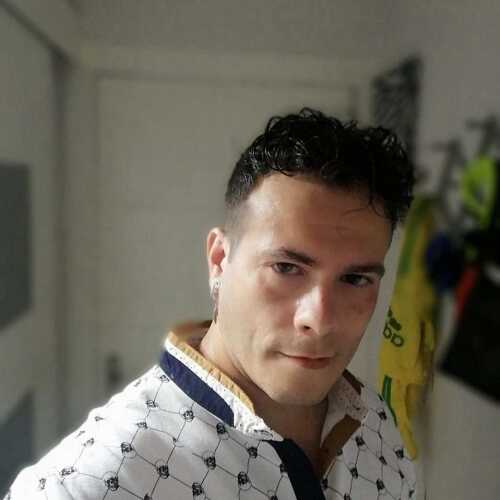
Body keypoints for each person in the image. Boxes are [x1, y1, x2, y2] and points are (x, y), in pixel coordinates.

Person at [5, 108, 417, 499]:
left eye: (355, 279)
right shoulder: (89, 484)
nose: (319, 319)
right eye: (286, 268)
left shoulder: (375, 422)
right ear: (219, 260)